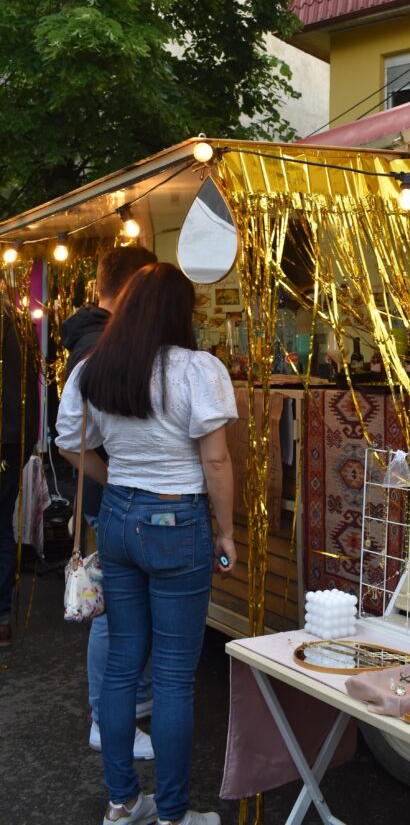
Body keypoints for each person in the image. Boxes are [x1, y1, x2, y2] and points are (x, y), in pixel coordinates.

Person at [57, 263, 237, 825]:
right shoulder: (198, 369)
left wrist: (117, 485)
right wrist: (227, 531)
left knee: (120, 667)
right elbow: (216, 458)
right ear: (179, 312)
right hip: (178, 523)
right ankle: (175, 815)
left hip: (117, 520)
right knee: (175, 676)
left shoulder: (96, 367)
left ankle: (123, 802)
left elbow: (68, 443)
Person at [62, 245, 158, 758]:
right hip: (115, 497)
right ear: (135, 283)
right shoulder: (101, 346)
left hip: (112, 495)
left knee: (122, 610)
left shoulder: (91, 337)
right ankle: (106, 716)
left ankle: (123, 708)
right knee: (116, 614)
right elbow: (71, 437)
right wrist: (117, 474)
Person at [0, 298, 39, 648]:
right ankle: (1, 620)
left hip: (11, 439)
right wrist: (26, 444)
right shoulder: (21, 322)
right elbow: (31, 390)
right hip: (12, 442)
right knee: (1, 525)